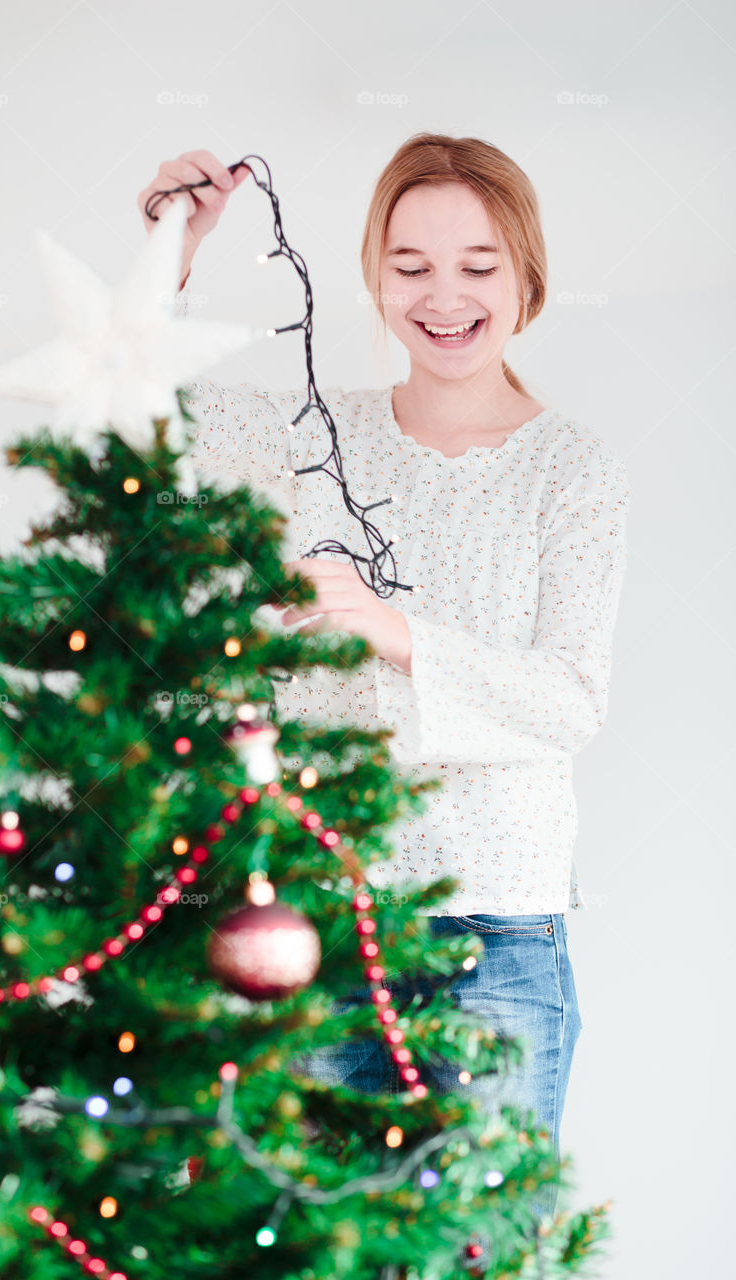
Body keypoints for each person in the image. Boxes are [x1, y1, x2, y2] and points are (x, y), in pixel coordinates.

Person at [137, 134, 630, 1230]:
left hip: (498, 938)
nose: (443, 295)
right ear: (372, 278)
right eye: (409, 266)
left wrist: (394, 630)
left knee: (482, 1247)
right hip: (316, 928)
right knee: (311, 1240)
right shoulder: (315, 437)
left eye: (477, 265)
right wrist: (173, 247)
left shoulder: (572, 467)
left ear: (526, 279)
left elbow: (569, 701)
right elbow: (145, 419)